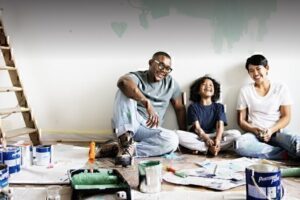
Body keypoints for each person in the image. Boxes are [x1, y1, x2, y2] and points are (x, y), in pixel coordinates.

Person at [111, 51, 186, 166]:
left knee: (173, 140)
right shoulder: (138, 77)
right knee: (123, 91)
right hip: (130, 122)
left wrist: (184, 135)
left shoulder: (172, 84)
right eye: (161, 65)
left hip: (150, 128)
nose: (163, 70)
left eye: (167, 68)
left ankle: (124, 149)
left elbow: (180, 108)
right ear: (151, 63)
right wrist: (146, 102)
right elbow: (123, 82)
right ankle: (125, 141)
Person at [235, 54, 300, 160]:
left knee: (296, 141)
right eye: (251, 70)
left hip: (277, 132)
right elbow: (241, 121)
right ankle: (284, 154)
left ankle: (286, 150)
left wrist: (271, 130)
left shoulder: (280, 87)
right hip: (254, 135)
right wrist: (255, 130)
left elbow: (286, 117)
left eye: (258, 68)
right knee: (239, 144)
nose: (255, 73)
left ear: (267, 68)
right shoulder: (245, 91)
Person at [177, 75, 241, 156]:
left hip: (215, 136)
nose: (208, 86)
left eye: (211, 85)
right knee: (176, 134)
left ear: (214, 91)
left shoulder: (219, 106)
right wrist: (206, 139)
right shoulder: (193, 107)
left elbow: (220, 126)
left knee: (236, 134)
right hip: (199, 137)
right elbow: (197, 129)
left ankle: (206, 148)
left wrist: (217, 140)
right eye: (204, 84)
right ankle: (210, 148)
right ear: (198, 90)